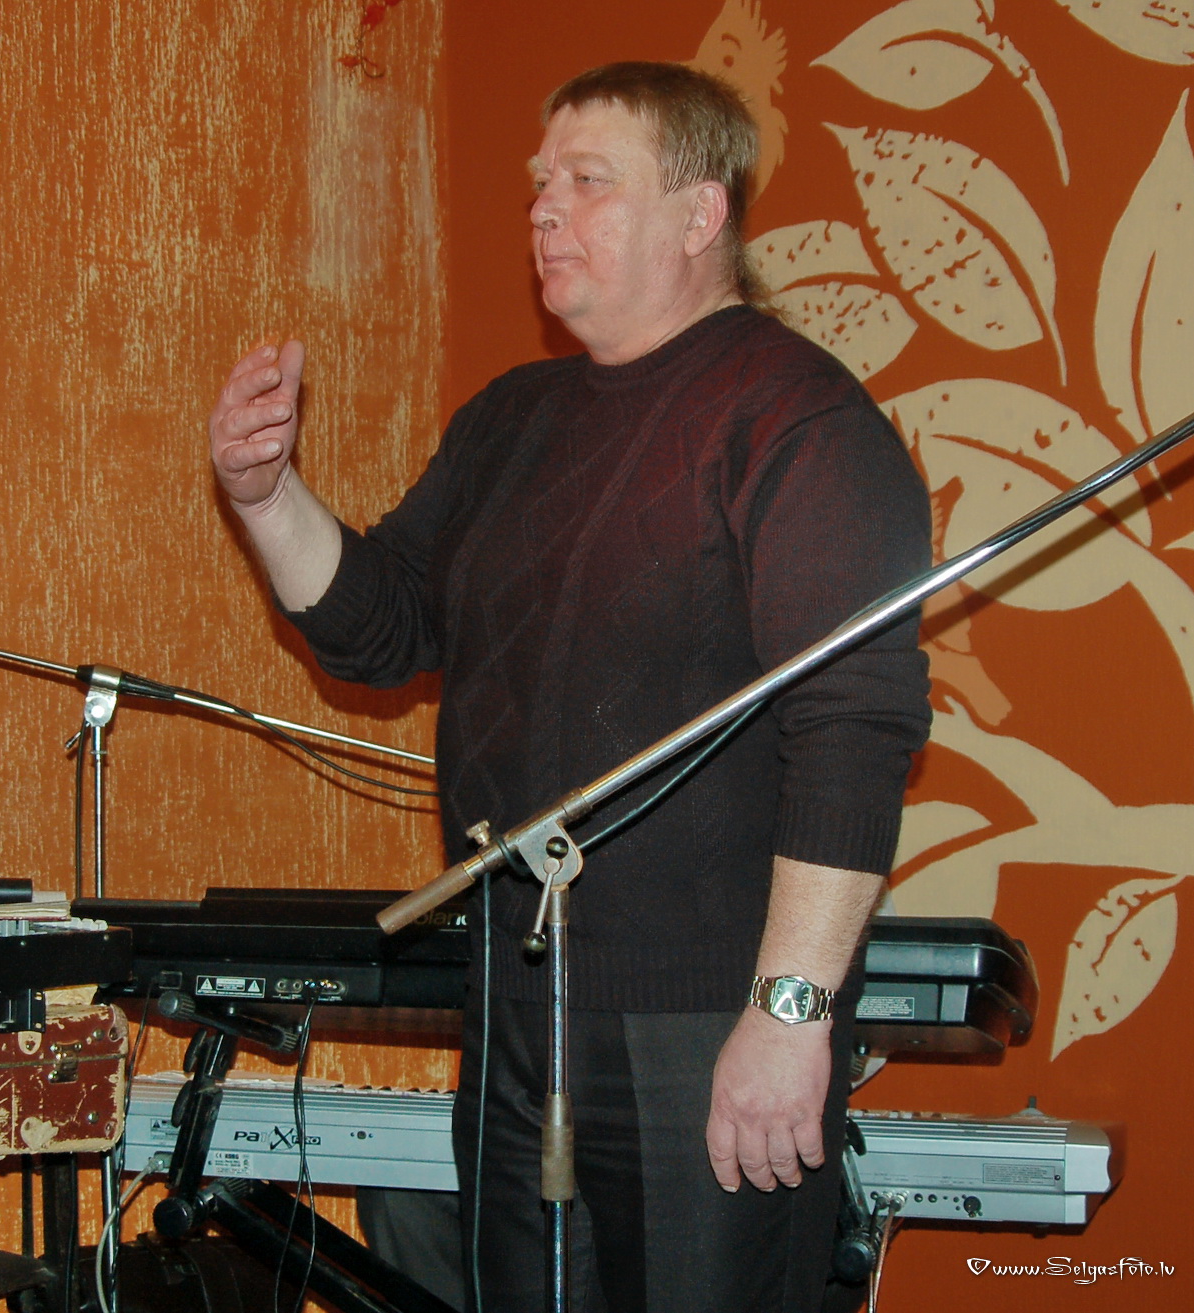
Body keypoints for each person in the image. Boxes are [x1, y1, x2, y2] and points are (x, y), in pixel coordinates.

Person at [209, 61, 931, 1313]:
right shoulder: (511, 417)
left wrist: (788, 1011)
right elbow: (383, 627)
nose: (543, 209)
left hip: (706, 1019)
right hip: (515, 1002)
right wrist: (265, 495)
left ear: (698, 215)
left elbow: (853, 731)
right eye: (540, 184)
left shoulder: (797, 418)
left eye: (588, 182)